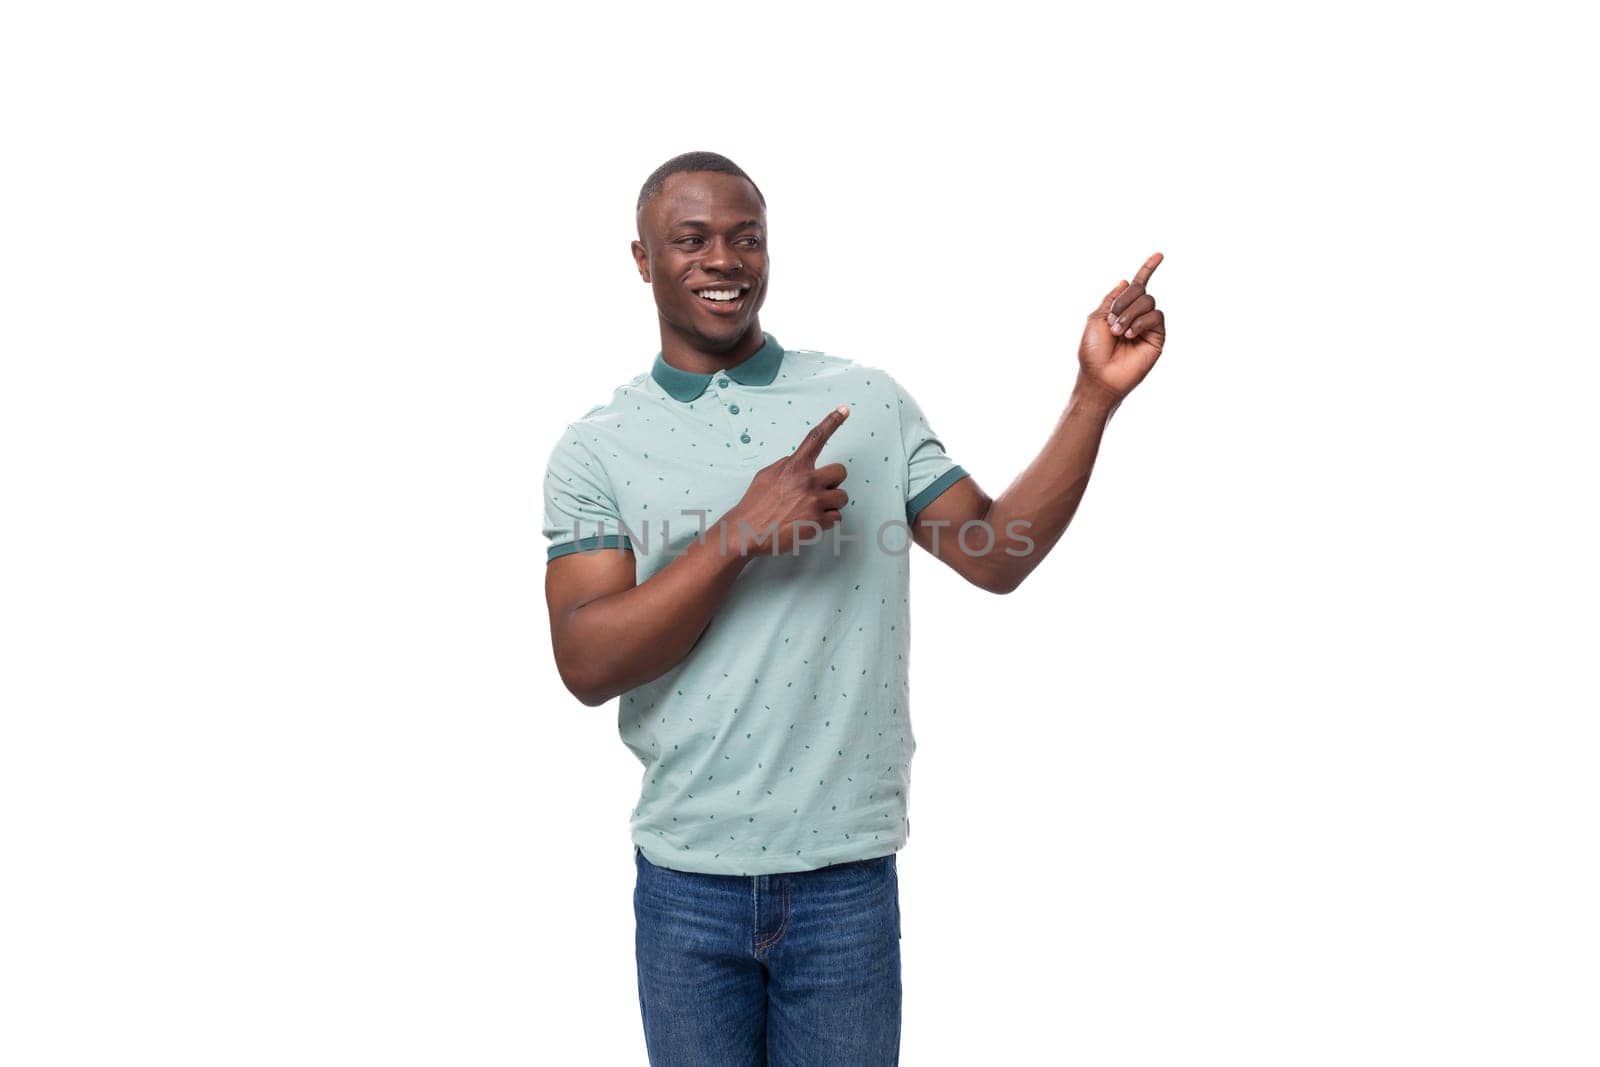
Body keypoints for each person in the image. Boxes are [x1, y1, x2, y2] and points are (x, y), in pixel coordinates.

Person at [542, 150, 1167, 1066]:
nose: (724, 259)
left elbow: (997, 555)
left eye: (746, 237)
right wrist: (738, 533)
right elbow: (586, 663)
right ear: (642, 259)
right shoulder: (595, 449)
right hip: (686, 883)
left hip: (845, 880)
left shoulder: (866, 402)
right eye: (692, 239)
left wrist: (1092, 399)